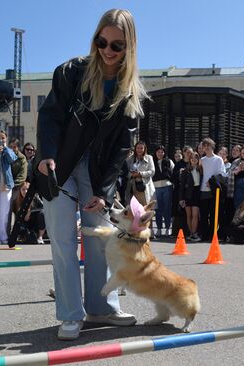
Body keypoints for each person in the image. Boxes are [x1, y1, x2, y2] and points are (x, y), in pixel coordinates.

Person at [35, 9, 145, 340]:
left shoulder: (129, 91)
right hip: (59, 166)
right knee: (63, 240)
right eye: (102, 42)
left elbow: (121, 149)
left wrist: (106, 192)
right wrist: (47, 157)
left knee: (100, 238)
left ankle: (101, 308)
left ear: (129, 48)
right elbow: (51, 117)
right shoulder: (70, 72)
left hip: (96, 174)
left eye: (117, 45)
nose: (108, 51)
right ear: (95, 39)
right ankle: (70, 314)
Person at [199, 138, 226, 241]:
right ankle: (204, 235)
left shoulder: (218, 159)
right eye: (204, 146)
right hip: (203, 190)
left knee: (214, 214)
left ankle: (213, 235)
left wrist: (212, 182)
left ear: (212, 146)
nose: (206, 148)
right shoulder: (202, 160)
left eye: (208, 145)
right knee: (204, 214)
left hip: (214, 191)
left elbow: (222, 173)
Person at [152, 145, 174, 237]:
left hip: (167, 186)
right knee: (158, 209)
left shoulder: (169, 161)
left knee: (167, 208)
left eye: (162, 152)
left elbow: (173, 172)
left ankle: (168, 228)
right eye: (158, 152)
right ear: (155, 153)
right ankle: (159, 228)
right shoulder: (152, 162)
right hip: (156, 187)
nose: (160, 153)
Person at [179, 152, 202, 241]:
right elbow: (181, 186)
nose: (193, 159)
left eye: (195, 158)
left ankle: (194, 233)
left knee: (195, 214)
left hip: (197, 193)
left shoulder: (201, 170)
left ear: (198, 159)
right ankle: (191, 233)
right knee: (189, 215)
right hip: (188, 194)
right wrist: (181, 199)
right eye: (191, 158)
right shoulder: (185, 171)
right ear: (189, 159)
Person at [125, 141, 155, 206]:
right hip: (132, 187)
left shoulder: (149, 158)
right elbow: (125, 172)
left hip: (144, 187)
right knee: (133, 208)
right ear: (135, 149)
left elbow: (152, 171)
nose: (139, 150)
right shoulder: (129, 159)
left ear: (144, 149)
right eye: (138, 148)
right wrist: (131, 174)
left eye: (141, 148)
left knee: (145, 208)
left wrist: (140, 174)